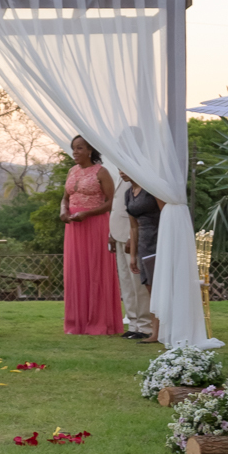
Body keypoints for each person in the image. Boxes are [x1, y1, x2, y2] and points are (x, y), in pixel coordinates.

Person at [60, 135, 122, 337]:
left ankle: (98, 321)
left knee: (95, 269)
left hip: (95, 224)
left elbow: (111, 202)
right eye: (73, 148)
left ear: (90, 150)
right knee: (75, 270)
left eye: (79, 148)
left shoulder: (101, 172)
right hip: (74, 227)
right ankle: (75, 322)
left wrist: (87, 213)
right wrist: (63, 210)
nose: (75, 152)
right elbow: (65, 197)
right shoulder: (72, 171)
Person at [111, 172, 152, 339]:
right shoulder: (117, 176)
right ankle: (133, 321)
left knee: (138, 282)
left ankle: (145, 324)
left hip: (134, 235)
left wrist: (131, 238)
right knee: (126, 282)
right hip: (117, 232)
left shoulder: (140, 180)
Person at [124, 178, 162, 343]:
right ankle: (156, 331)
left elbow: (166, 213)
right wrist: (133, 255)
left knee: (159, 286)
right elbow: (133, 226)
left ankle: (160, 331)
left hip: (158, 238)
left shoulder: (151, 188)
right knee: (149, 287)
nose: (121, 172)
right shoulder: (128, 194)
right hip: (143, 243)